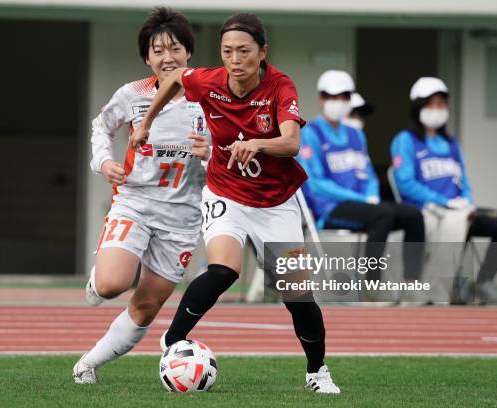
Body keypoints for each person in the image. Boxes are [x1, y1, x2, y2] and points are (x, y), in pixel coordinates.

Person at [130, 13, 341, 394]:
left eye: (244, 51)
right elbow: (176, 78)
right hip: (225, 192)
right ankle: (171, 343)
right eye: (227, 51)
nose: (235, 59)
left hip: (275, 203)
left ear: (262, 52)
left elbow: (292, 142)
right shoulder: (210, 81)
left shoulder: (280, 86)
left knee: (296, 294)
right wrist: (146, 121)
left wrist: (257, 143)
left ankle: (317, 371)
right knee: (224, 270)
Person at [72, 7, 210, 384]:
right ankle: (97, 279)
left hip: (183, 218)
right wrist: (103, 162)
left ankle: (88, 364)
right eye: (158, 50)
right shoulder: (132, 94)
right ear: (147, 57)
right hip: (136, 203)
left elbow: (235, 153)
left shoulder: (212, 97)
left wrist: (212, 154)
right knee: (111, 285)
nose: (168, 57)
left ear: (189, 52)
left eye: (175, 48)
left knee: (147, 306)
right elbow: (102, 127)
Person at [297, 70, 426, 302]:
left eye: (344, 97)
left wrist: (372, 195)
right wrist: (359, 199)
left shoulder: (356, 136)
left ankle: (411, 283)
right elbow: (315, 184)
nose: (339, 103)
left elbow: (369, 175)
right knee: (382, 215)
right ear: (321, 99)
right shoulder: (310, 133)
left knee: (413, 215)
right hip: (328, 208)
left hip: (364, 205)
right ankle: (372, 284)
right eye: (332, 97)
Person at [391, 76, 497, 306]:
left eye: (441, 104)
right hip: (427, 211)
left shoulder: (451, 143)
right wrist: (444, 202)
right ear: (418, 106)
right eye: (431, 104)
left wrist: (466, 201)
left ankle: (483, 283)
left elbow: (463, 179)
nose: (437, 110)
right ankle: (454, 281)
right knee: (459, 222)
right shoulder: (405, 140)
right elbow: (405, 183)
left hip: (459, 209)